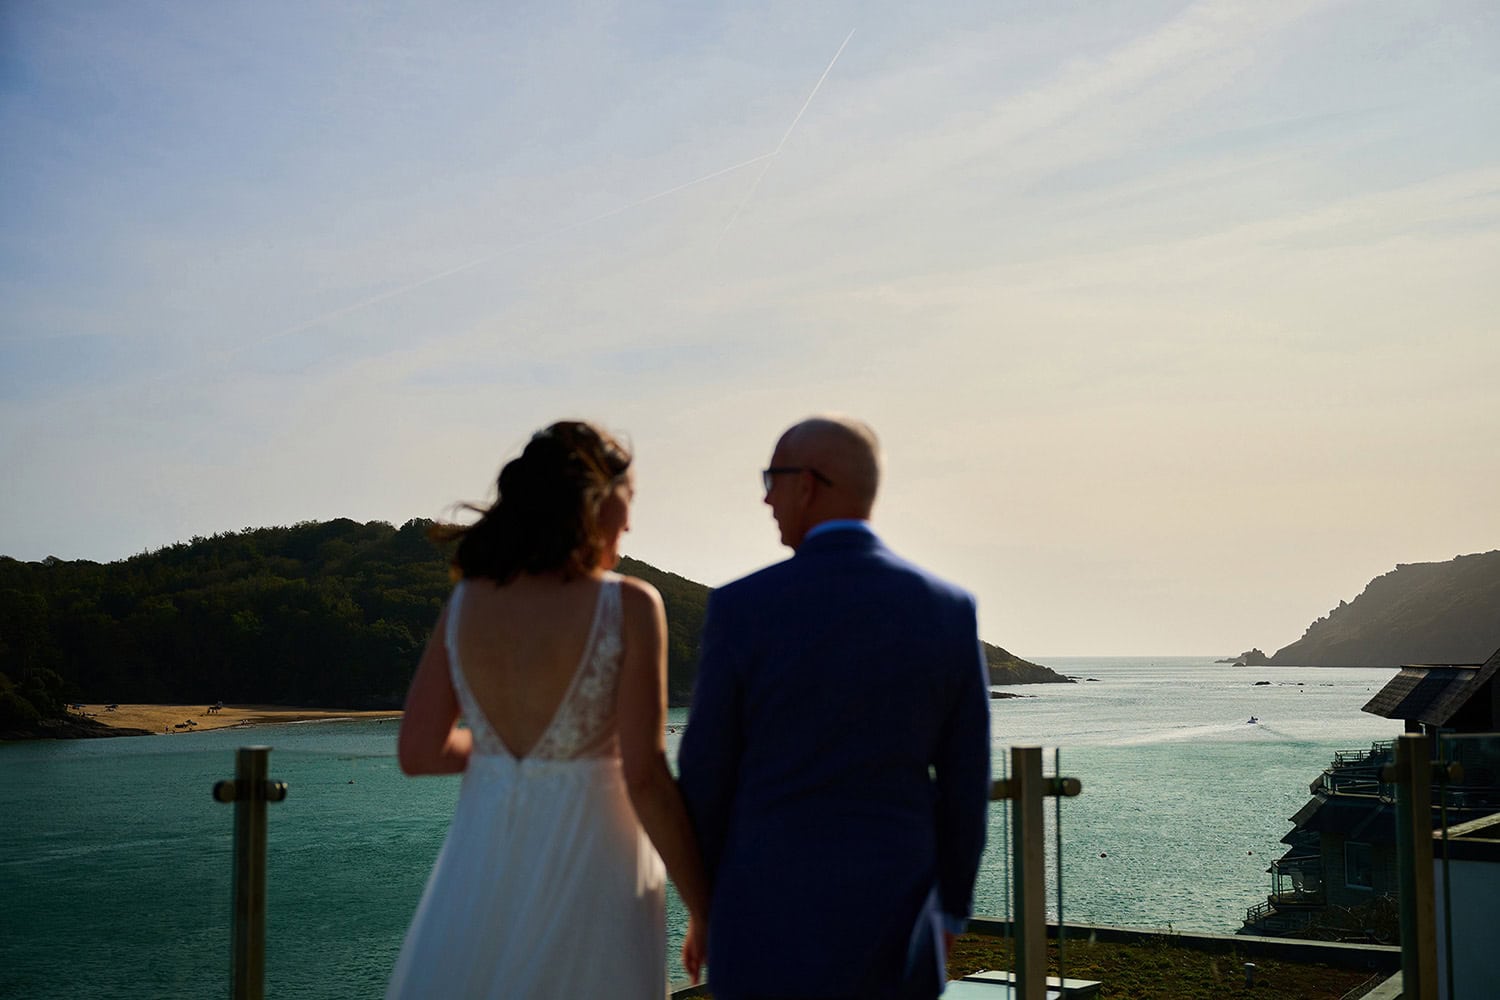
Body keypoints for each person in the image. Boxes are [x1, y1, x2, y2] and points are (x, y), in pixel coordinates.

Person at [386, 421, 709, 999]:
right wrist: (704, 908)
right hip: (594, 866)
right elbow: (644, 776)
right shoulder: (630, 605)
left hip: (481, 866)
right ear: (595, 500)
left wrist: (502, 750)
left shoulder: (466, 603)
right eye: (629, 499)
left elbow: (419, 753)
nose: (631, 522)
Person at [678, 415, 991, 1000]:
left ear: (806, 485)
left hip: (763, 915)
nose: (766, 498)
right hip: (899, 920)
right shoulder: (948, 609)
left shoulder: (741, 608)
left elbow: (703, 775)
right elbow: (966, 780)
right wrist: (950, 912)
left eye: (771, 479)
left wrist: (707, 905)